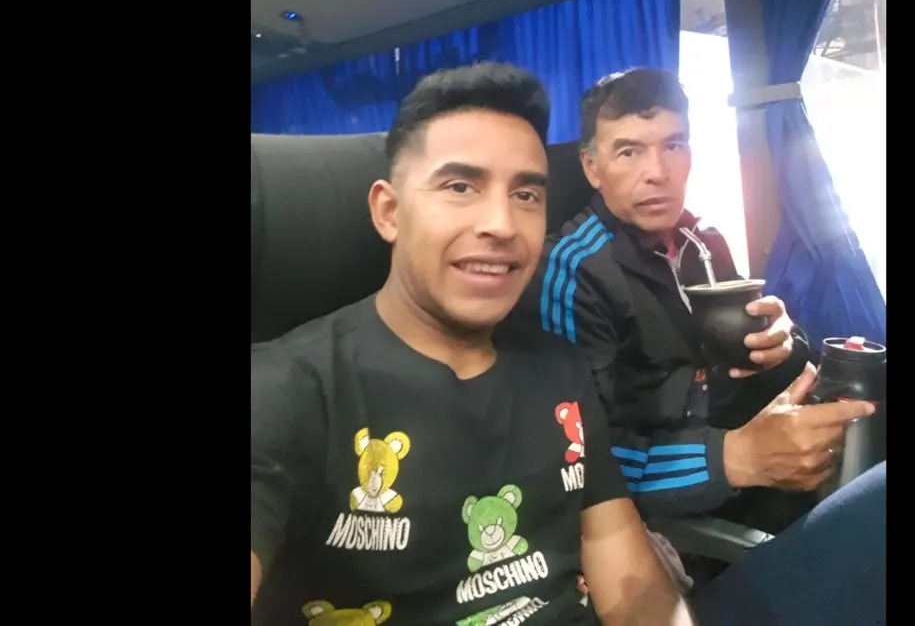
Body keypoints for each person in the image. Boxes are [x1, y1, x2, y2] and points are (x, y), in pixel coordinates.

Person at [250, 63, 693, 626]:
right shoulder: (286, 392)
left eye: (526, 194)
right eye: (460, 187)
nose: (501, 224)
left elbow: (619, 558)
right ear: (389, 212)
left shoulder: (560, 368)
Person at [507, 68, 875, 534]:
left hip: (765, 472)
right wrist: (737, 458)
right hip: (679, 525)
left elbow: (754, 357)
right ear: (591, 167)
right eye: (628, 151)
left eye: (673, 145)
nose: (657, 173)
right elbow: (578, 460)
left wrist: (785, 341)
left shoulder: (704, 243)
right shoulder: (570, 273)